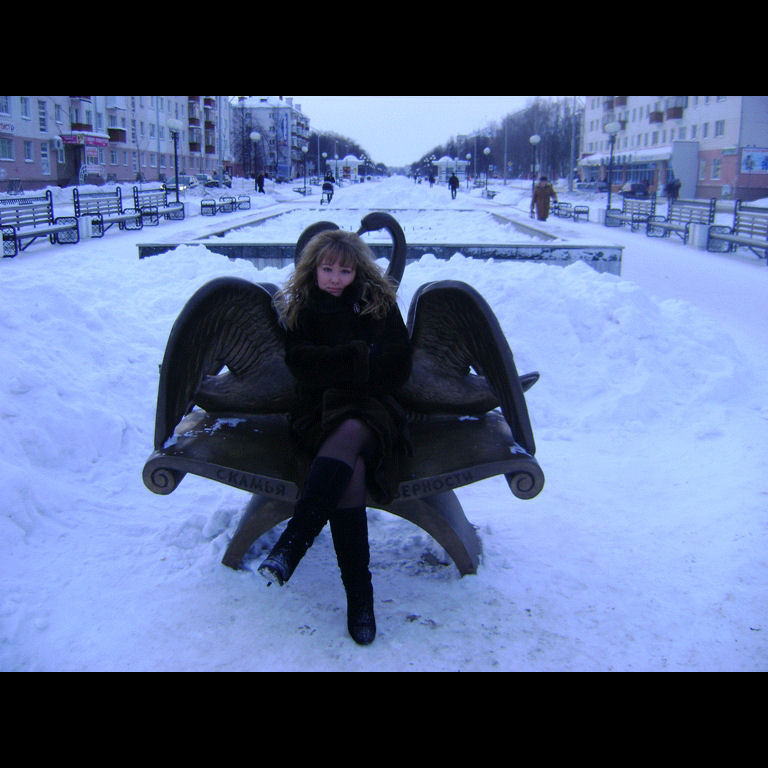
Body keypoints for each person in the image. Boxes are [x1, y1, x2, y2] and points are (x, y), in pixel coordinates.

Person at [258, 229, 413, 645]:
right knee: (352, 470)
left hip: (374, 411)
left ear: (358, 271)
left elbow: (397, 366)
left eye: (344, 271)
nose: (334, 278)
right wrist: (360, 358)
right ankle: (360, 598)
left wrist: (343, 365)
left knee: (354, 428)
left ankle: (294, 542)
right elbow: (301, 364)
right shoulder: (303, 307)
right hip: (319, 414)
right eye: (327, 269)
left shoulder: (377, 304)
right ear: (314, 268)